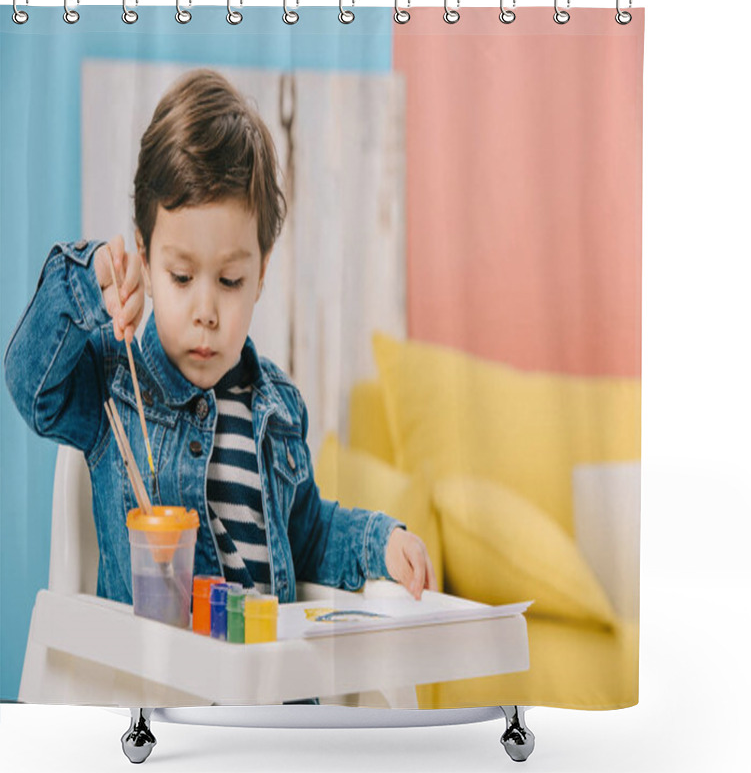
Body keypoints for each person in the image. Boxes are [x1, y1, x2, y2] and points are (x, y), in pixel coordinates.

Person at [3, 68, 437, 614]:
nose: (206, 312)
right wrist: (90, 281)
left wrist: (380, 542)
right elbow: (28, 382)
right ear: (146, 255)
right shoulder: (114, 386)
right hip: (157, 690)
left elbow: (307, 536)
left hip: (266, 695)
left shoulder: (277, 408)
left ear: (261, 272)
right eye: (182, 278)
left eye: (230, 281)